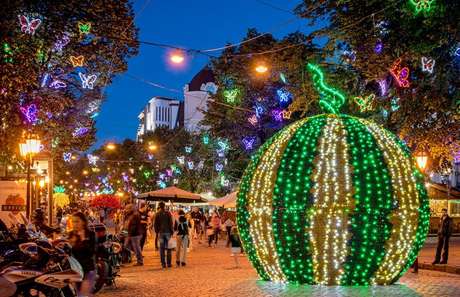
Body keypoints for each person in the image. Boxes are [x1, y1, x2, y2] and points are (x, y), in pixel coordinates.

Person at [68, 212, 97, 297]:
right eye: (73, 222)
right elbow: (69, 252)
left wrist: (83, 239)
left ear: (83, 222)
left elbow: (92, 251)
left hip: (88, 269)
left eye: (77, 221)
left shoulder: (91, 234)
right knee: (78, 294)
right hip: (75, 269)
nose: (75, 224)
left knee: (82, 295)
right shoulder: (71, 234)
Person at [154, 202, 174, 268]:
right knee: (169, 248)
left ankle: (163, 264)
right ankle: (169, 263)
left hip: (161, 233)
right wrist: (172, 231)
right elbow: (171, 223)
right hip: (168, 232)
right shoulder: (168, 213)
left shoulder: (157, 214)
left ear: (159, 206)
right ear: (164, 206)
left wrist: (157, 232)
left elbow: (155, 224)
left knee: (162, 249)